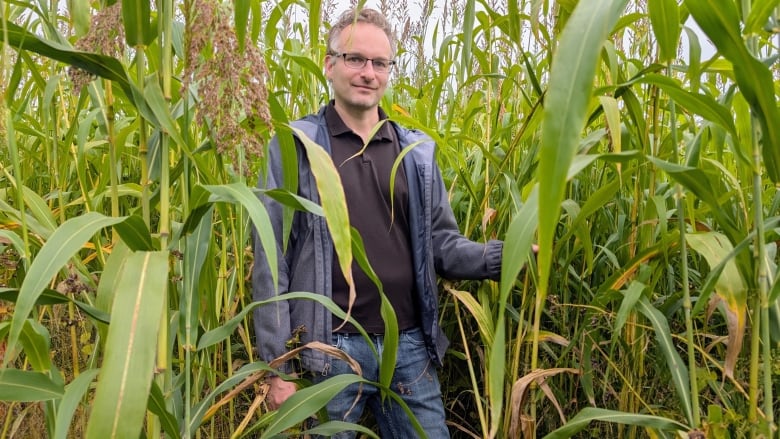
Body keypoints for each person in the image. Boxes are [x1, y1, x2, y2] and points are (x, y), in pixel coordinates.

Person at [252, 8, 503, 438]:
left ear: (389, 71)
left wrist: (506, 255)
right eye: (355, 59)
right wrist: (279, 366)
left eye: (379, 62)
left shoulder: (416, 154)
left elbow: (442, 244)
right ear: (329, 65)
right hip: (326, 349)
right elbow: (271, 257)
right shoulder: (296, 147)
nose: (368, 72)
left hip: (408, 348)